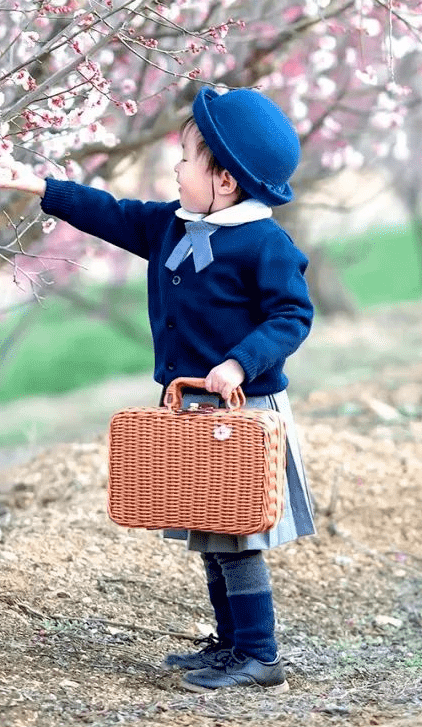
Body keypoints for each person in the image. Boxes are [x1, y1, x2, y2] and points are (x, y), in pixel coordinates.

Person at [16, 85, 315, 690]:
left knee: (237, 534)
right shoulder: (170, 226)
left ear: (225, 180)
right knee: (210, 528)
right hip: (189, 405)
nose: (174, 169)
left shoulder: (263, 243)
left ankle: (260, 653)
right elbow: (111, 213)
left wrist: (239, 362)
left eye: (185, 158)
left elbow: (291, 316)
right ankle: (230, 644)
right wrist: (45, 190)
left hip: (242, 407)